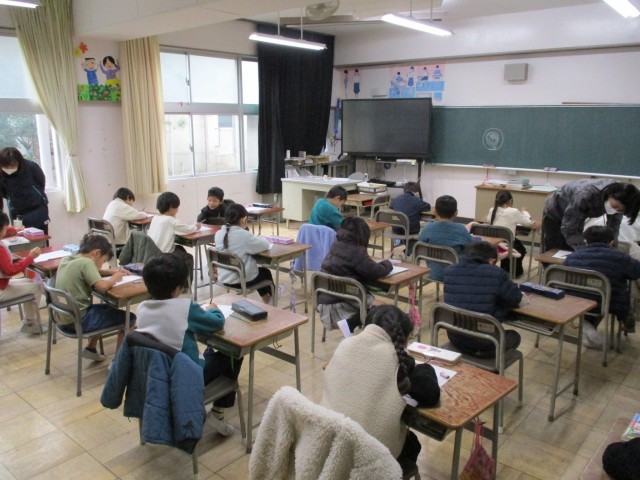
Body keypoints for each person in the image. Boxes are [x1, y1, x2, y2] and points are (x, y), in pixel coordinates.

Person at [135, 253, 242, 435]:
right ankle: (218, 414)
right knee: (234, 352)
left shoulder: (142, 308)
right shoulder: (185, 308)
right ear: (178, 288)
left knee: (208, 352)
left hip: (154, 378)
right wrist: (214, 309)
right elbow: (216, 323)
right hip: (184, 380)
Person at [321, 305, 440, 467]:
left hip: (328, 442)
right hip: (368, 458)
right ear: (404, 339)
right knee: (413, 444)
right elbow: (430, 394)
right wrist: (425, 368)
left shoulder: (345, 345)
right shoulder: (398, 360)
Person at [55, 234, 134, 361]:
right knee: (129, 318)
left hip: (64, 317)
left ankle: (90, 349)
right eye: (103, 261)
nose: (101, 266)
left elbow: (91, 271)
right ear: (96, 253)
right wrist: (115, 278)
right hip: (79, 321)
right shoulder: (86, 263)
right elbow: (102, 287)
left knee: (104, 309)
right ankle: (117, 363)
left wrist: (111, 272)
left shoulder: (68, 259)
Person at [443, 241, 524, 357]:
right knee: (514, 336)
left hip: (455, 336)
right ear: (491, 260)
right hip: (487, 341)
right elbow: (515, 299)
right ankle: (488, 361)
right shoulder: (497, 273)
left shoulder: (449, 271)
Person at [564, 226, 640, 346]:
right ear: (611, 241)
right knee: (607, 294)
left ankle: (588, 329)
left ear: (586, 240)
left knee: (592, 294)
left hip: (577, 300)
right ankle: (626, 319)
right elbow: (636, 272)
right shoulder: (621, 257)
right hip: (611, 303)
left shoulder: (572, 257)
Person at [318, 216, 392, 331]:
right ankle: (354, 324)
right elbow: (376, 271)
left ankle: (356, 323)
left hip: (324, 302)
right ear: (362, 235)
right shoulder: (357, 252)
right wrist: (388, 263)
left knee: (369, 301)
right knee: (384, 309)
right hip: (341, 306)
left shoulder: (336, 244)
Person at [542, 179, 640, 251]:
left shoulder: (622, 199)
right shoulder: (586, 195)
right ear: (610, 194)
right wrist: (583, 251)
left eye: (620, 210)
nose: (616, 210)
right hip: (555, 211)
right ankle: (549, 270)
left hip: (576, 215)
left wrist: (612, 249)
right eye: (615, 206)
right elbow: (569, 228)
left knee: (572, 249)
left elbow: (614, 228)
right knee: (554, 248)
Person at [213, 204, 274, 304]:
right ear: (244, 219)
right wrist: (261, 237)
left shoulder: (218, 234)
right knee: (265, 272)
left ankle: (267, 299)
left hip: (224, 278)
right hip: (240, 281)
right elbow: (264, 245)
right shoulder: (243, 235)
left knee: (258, 272)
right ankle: (273, 298)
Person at [0, 212, 43, 334]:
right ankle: (30, 323)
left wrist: (14, 230)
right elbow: (10, 270)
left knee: (29, 281)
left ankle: (28, 321)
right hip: (1, 289)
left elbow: (7, 231)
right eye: (5, 227)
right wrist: (30, 257)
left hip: (2, 284)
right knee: (36, 287)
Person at [417, 195, 475, 281]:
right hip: (456, 275)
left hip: (433, 273)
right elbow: (473, 248)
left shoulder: (427, 228)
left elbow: (419, 246)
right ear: (456, 213)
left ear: (435, 212)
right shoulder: (461, 229)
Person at [148, 191, 200, 279]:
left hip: (152, 252)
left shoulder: (155, 218)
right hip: (164, 254)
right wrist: (196, 226)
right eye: (177, 207)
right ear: (171, 207)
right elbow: (187, 230)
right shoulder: (171, 221)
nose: (178, 210)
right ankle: (185, 285)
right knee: (188, 257)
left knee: (180, 249)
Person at [487, 190, 537, 277]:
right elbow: (529, 223)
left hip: (494, 242)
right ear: (510, 201)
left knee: (515, 243)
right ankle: (514, 272)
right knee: (521, 249)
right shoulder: (513, 211)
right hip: (508, 242)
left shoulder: (492, 210)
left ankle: (505, 267)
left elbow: (489, 221)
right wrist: (524, 213)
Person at [0, 147, 50, 234]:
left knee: (41, 237)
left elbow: (41, 182)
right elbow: (3, 192)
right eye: (5, 166)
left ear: (19, 161)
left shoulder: (31, 167)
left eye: (12, 166)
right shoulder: (1, 172)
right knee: (20, 237)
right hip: (16, 211)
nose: (9, 168)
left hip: (37, 209)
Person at [389, 181, 430, 255]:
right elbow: (428, 207)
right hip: (410, 230)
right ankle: (410, 250)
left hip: (396, 229)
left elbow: (391, 206)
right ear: (416, 192)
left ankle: (409, 250)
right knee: (414, 228)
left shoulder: (396, 199)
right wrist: (418, 198)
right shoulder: (417, 200)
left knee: (408, 226)